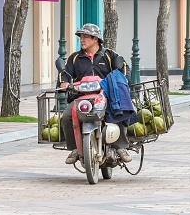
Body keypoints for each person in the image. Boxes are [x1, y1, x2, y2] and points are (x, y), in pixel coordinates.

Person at [57, 23, 133, 165]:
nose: (82, 40)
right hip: (81, 98)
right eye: (81, 37)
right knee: (67, 116)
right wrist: (64, 84)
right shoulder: (74, 58)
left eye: (86, 37)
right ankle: (75, 148)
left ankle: (121, 147)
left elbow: (124, 70)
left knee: (119, 111)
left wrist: (120, 81)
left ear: (95, 39)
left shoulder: (110, 55)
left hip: (105, 96)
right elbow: (64, 74)